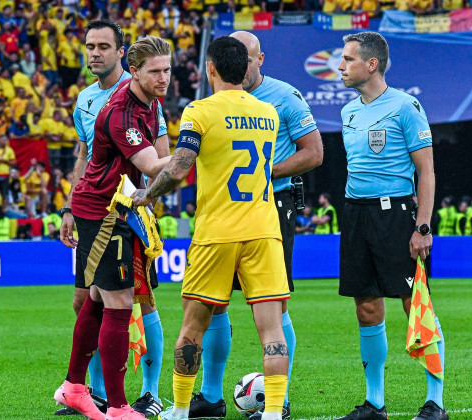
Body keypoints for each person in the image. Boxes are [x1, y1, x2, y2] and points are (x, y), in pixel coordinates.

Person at [131, 36, 288, 420]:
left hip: (216, 232)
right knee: (271, 330)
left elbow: (180, 166)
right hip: (264, 229)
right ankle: (271, 413)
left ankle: (182, 410)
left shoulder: (199, 111)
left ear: (211, 68)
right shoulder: (269, 112)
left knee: (193, 326)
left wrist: (147, 195)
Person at [188, 30, 323, 420]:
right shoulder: (213, 102)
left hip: (271, 206)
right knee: (212, 305)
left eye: (248, 57)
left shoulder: (285, 96)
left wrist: (265, 172)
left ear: (260, 59)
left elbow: (314, 152)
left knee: (274, 307)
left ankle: (279, 402)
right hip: (222, 209)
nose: (242, 64)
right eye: (236, 57)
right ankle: (211, 396)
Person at [53, 36, 173, 420]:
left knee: (96, 299)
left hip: (117, 207)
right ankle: (119, 407)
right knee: (120, 304)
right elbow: (155, 165)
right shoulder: (121, 111)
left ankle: (74, 387)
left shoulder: (149, 102)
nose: (164, 78)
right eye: (155, 71)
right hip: (106, 213)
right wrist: (203, 143)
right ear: (134, 71)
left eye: (168, 70)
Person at [335, 32, 447, 420]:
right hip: (355, 214)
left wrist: (423, 227)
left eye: (349, 59)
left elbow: (427, 171)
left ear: (371, 64)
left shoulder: (405, 106)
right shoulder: (348, 112)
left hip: (396, 216)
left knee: (415, 306)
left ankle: (436, 401)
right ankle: (375, 403)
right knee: (366, 308)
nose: (341, 66)